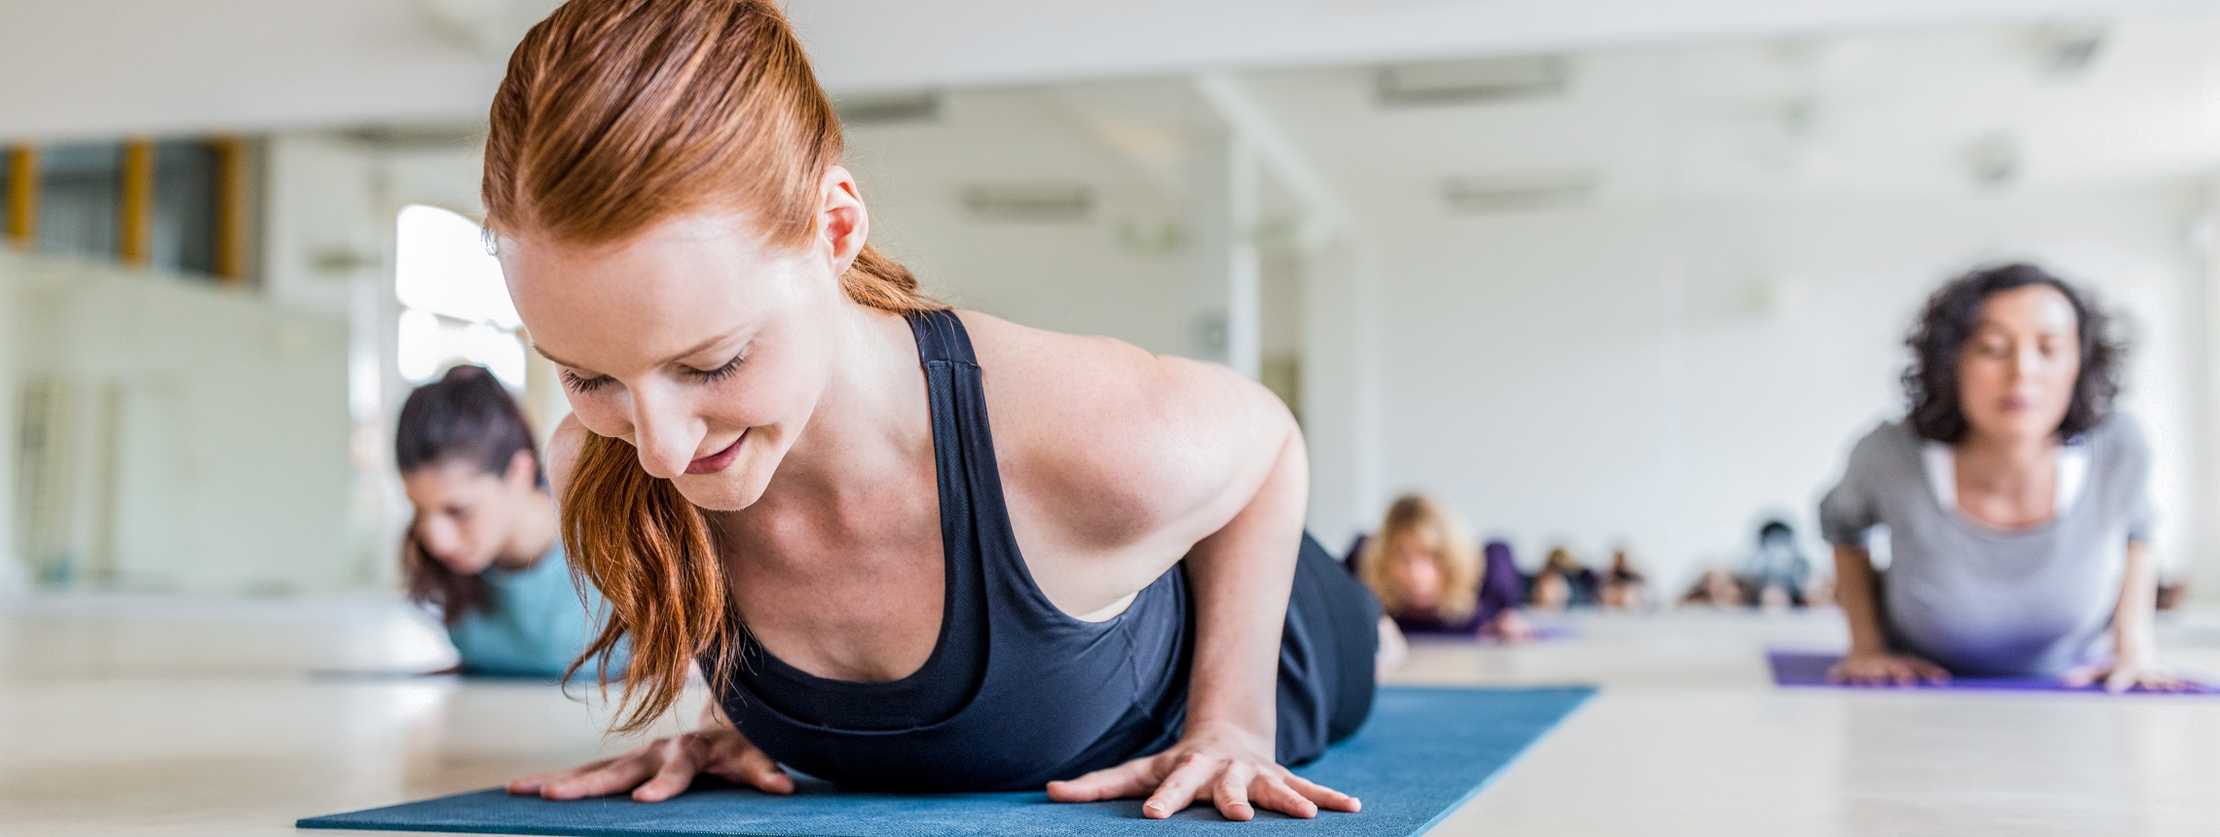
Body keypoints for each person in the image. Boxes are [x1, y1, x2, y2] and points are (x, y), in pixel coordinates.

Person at [487, 0, 1380, 821]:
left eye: (711, 361)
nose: (659, 449)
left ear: (835, 230)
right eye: (588, 378)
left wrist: (1234, 723)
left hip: (1285, 632)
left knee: (1370, 634)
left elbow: (1269, 443)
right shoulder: (598, 464)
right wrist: (738, 727)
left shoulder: (1096, 435)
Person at [1817, 263, 2182, 691]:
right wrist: (1866, 647)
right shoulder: (1889, 452)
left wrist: (2134, 649)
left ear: (2080, 365)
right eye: (1992, 348)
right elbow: (1842, 528)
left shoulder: (2119, 447)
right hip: (1921, 688)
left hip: (2071, 683)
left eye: (2049, 349)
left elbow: (2140, 533)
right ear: (1951, 362)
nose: (2022, 371)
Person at [396, 365, 625, 678]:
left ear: (519, 472)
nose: (436, 540)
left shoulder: (614, 549)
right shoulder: (451, 567)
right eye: (420, 510)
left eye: (458, 511)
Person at [1348, 495, 1531, 640]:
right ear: (1384, 561)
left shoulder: (1491, 593)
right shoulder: (1364, 596)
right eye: (1403, 557)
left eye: (1430, 556)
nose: (1415, 573)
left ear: (1452, 558)